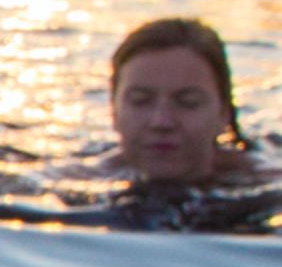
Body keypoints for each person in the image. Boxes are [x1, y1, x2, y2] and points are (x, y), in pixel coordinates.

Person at [104, 16, 258, 186]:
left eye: (188, 103)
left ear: (223, 114)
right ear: (113, 110)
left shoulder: (277, 189)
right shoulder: (79, 181)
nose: (161, 122)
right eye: (140, 101)